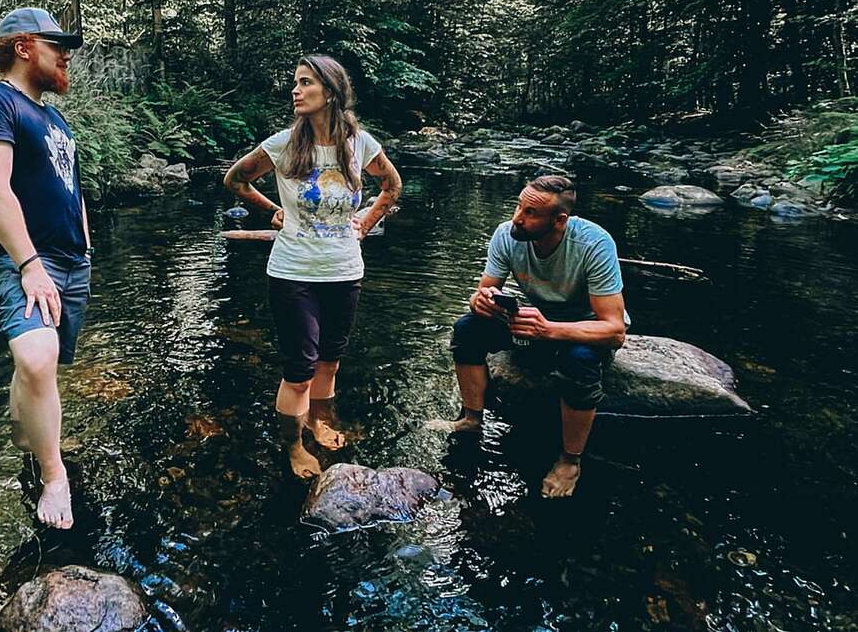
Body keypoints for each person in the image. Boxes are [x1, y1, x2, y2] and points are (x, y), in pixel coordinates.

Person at [223, 54, 403, 479]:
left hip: (344, 271)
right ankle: (294, 445)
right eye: (296, 83)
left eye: (305, 83)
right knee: (300, 372)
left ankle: (320, 422)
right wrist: (273, 210)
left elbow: (391, 186)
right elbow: (235, 180)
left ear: (331, 92)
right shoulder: (283, 144)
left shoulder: (360, 143)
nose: (296, 91)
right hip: (292, 273)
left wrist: (367, 222)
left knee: (330, 363)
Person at [0, 8, 90, 529]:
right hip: (16, 260)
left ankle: (27, 444)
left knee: (43, 366)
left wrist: (86, 251)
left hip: (71, 261)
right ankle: (55, 475)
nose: (67, 57)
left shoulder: (56, 119)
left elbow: (71, 189)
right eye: (59, 46)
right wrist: (30, 264)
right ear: (25, 46)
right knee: (37, 357)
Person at [428, 175, 628, 498]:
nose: (517, 218)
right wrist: (479, 302)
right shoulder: (508, 236)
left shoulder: (594, 243)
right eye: (519, 206)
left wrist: (549, 330)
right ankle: (471, 419)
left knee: (579, 362)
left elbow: (615, 331)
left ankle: (569, 460)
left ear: (559, 220)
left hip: (584, 329)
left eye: (530, 213)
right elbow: (483, 292)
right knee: (467, 329)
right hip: (535, 322)